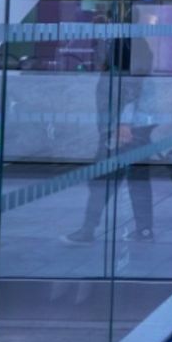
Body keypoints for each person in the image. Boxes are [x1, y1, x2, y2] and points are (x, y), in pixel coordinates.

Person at [63, 12, 158, 245]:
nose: (103, 22)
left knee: (103, 179)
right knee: (135, 178)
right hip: (130, 123)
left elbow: (132, 84)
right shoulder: (126, 41)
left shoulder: (129, 43)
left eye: (107, 18)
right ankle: (144, 230)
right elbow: (105, 67)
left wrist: (123, 123)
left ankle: (88, 229)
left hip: (126, 126)